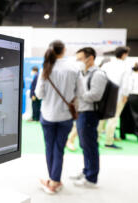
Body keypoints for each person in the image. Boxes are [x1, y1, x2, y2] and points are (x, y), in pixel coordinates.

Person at [35, 40, 79, 194]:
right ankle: (55, 180)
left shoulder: (46, 69)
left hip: (47, 115)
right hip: (66, 116)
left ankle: (53, 181)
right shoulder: (74, 68)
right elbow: (79, 93)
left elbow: (39, 94)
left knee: (49, 148)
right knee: (59, 149)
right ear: (64, 50)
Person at [71, 47, 107, 188]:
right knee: (84, 145)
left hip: (89, 114)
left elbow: (96, 95)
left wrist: (78, 95)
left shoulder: (98, 74)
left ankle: (91, 178)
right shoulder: (83, 73)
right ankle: (87, 171)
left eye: (80, 59)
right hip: (82, 112)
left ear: (90, 58)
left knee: (90, 146)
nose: (78, 61)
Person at [101, 46, 131, 149]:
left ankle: (95, 139)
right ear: (124, 54)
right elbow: (126, 84)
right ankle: (108, 142)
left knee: (101, 118)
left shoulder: (106, 65)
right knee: (113, 118)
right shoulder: (126, 66)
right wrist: (125, 95)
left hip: (104, 95)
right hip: (118, 95)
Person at [120, 64, 138, 142]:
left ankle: (123, 134)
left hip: (128, 96)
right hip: (137, 96)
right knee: (136, 115)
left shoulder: (131, 76)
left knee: (125, 116)